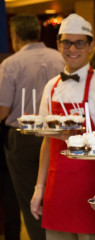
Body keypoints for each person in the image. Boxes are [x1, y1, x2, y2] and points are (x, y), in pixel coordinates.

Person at [30, 13, 95, 240]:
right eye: (66, 42)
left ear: (91, 45)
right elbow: (47, 142)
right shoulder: (51, 86)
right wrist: (39, 187)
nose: (72, 48)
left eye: (80, 42)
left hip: (91, 187)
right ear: (58, 45)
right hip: (57, 188)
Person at [0, 13, 65, 240]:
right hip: (59, 134)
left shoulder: (10, 64)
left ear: (15, 36)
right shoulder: (60, 58)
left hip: (23, 138)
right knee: (58, 194)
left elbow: (3, 110)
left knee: (31, 198)